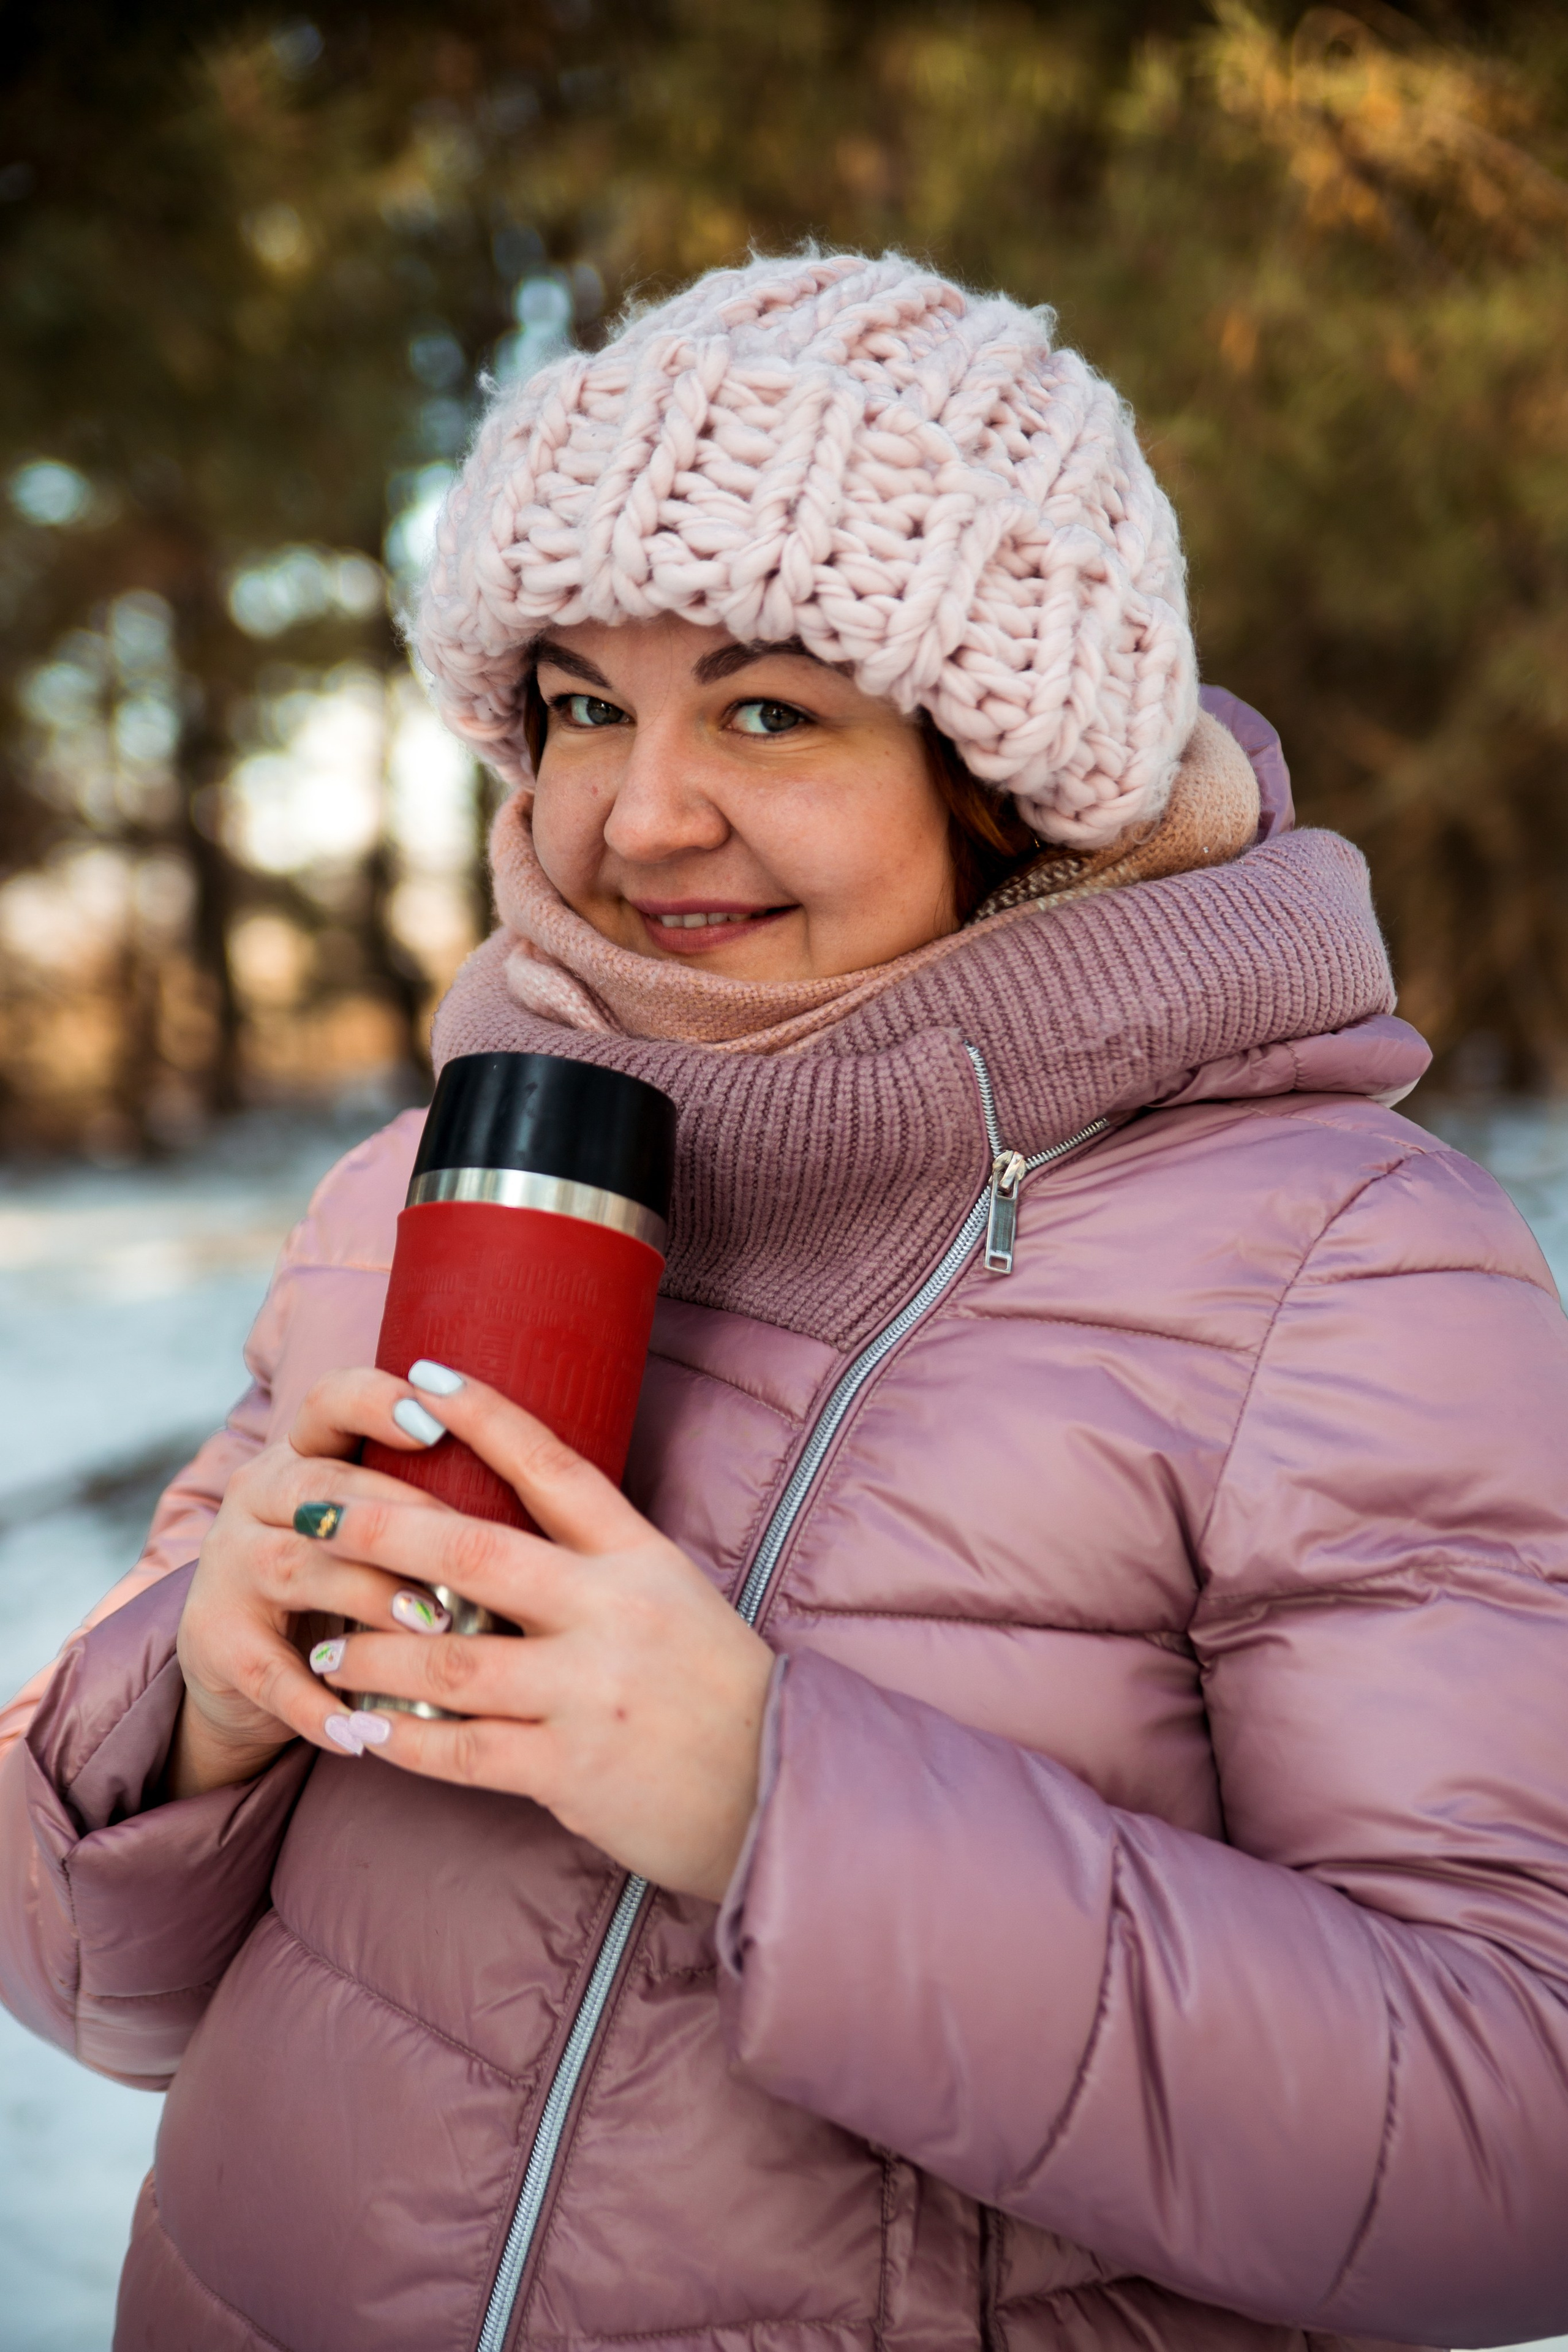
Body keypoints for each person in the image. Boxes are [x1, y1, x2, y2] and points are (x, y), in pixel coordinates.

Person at [2, 250, 1567, 2352]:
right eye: (582, 705)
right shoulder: (420, 1190)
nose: (641, 818)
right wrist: (185, 1707)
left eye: (768, 705)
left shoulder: (1340, 1270)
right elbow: (102, 1996)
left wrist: (775, 1802)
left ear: (1008, 776)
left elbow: (1510, 2157)